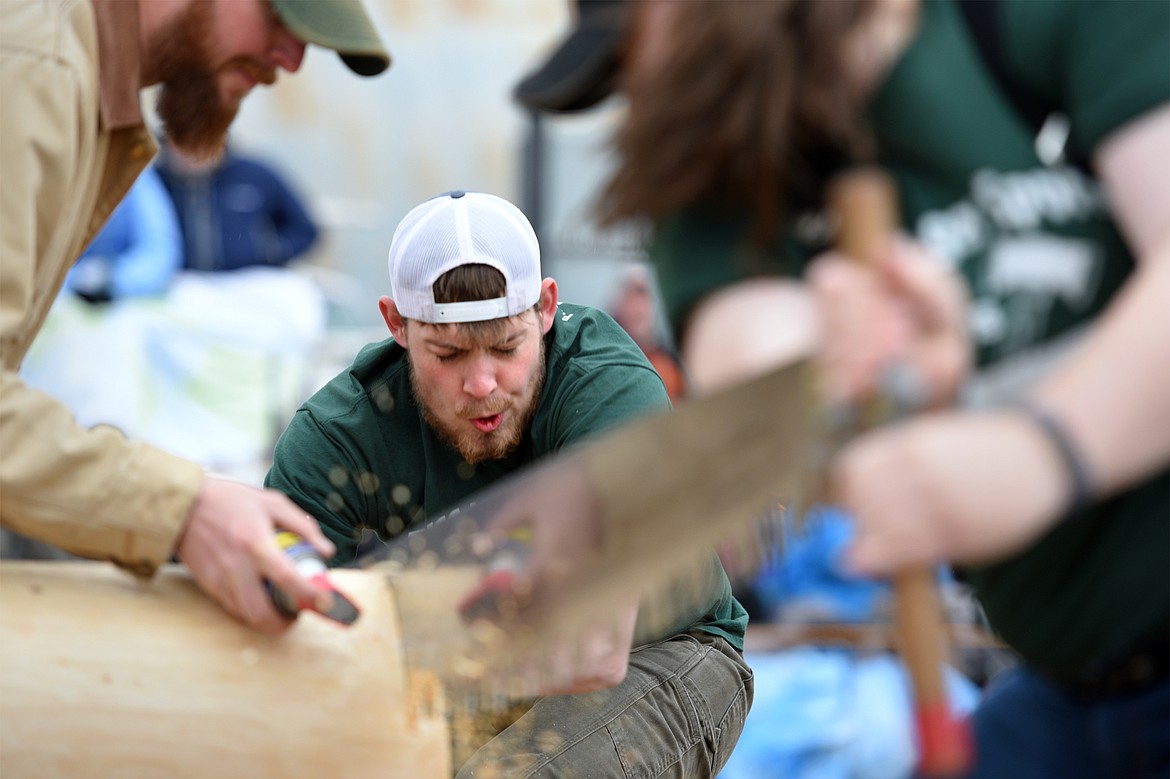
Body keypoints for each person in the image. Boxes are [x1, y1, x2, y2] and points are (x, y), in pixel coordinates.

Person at [514, 1, 1169, 777]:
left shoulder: (1033, 23)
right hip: (1076, 681)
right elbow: (756, 366)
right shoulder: (713, 173)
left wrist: (1042, 449)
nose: (641, 92)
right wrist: (857, 376)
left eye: (641, 50)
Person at [265, 190, 754, 777]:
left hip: (661, 648)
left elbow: (594, 648)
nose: (480, 383)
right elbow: (286, 633)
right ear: (396, 323)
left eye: (506, 347)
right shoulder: (338, 437)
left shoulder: (604, 384)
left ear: (545, 308)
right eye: (447, 354)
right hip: (457, 670)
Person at [1, 0, 390, 634]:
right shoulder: (34, 72)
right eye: (282, 18)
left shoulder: (89, 88)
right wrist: (183, 508)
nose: (290, 61)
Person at [155, 136, 320, 272]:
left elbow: (304, 229)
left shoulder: (255, 175)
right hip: (181, 282)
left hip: (250, 280)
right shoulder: (152, 183)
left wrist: (272, 251)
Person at [65, 165, 184, 304]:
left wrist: (111, 279)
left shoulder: (137, 174)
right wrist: (75, 279)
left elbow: (161, 253)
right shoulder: (55, 174)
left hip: (120, 300)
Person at [607, 263, 688, 403]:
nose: (639, 308)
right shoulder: (604, 355)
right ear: (619, 302)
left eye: (644, 297)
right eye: (632, 297)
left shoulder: (670, 360)